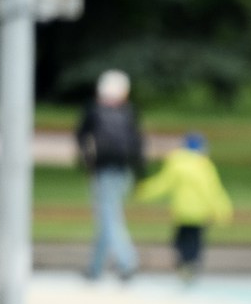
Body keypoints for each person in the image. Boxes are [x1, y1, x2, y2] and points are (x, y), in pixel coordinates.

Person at [135, 133, 233, 284]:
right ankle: (191, 264)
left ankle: (183, 263)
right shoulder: (204, 166)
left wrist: (144, 191)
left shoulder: (176, 163)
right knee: (195, 241)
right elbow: (213, 191)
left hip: (182, 211)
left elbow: (163, 184)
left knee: (180, 239)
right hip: (200, 213)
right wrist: (222, 210)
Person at [75, 70, 143, 283]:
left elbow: (81, 137)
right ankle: (95, 268)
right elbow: (137, 143)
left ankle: (127, 261)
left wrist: (87, 162)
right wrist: (140, 171)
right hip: (123, 170)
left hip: (103, 170)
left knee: (109, 218)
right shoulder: (128, 111)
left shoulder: (94, 110)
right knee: (107, 217)